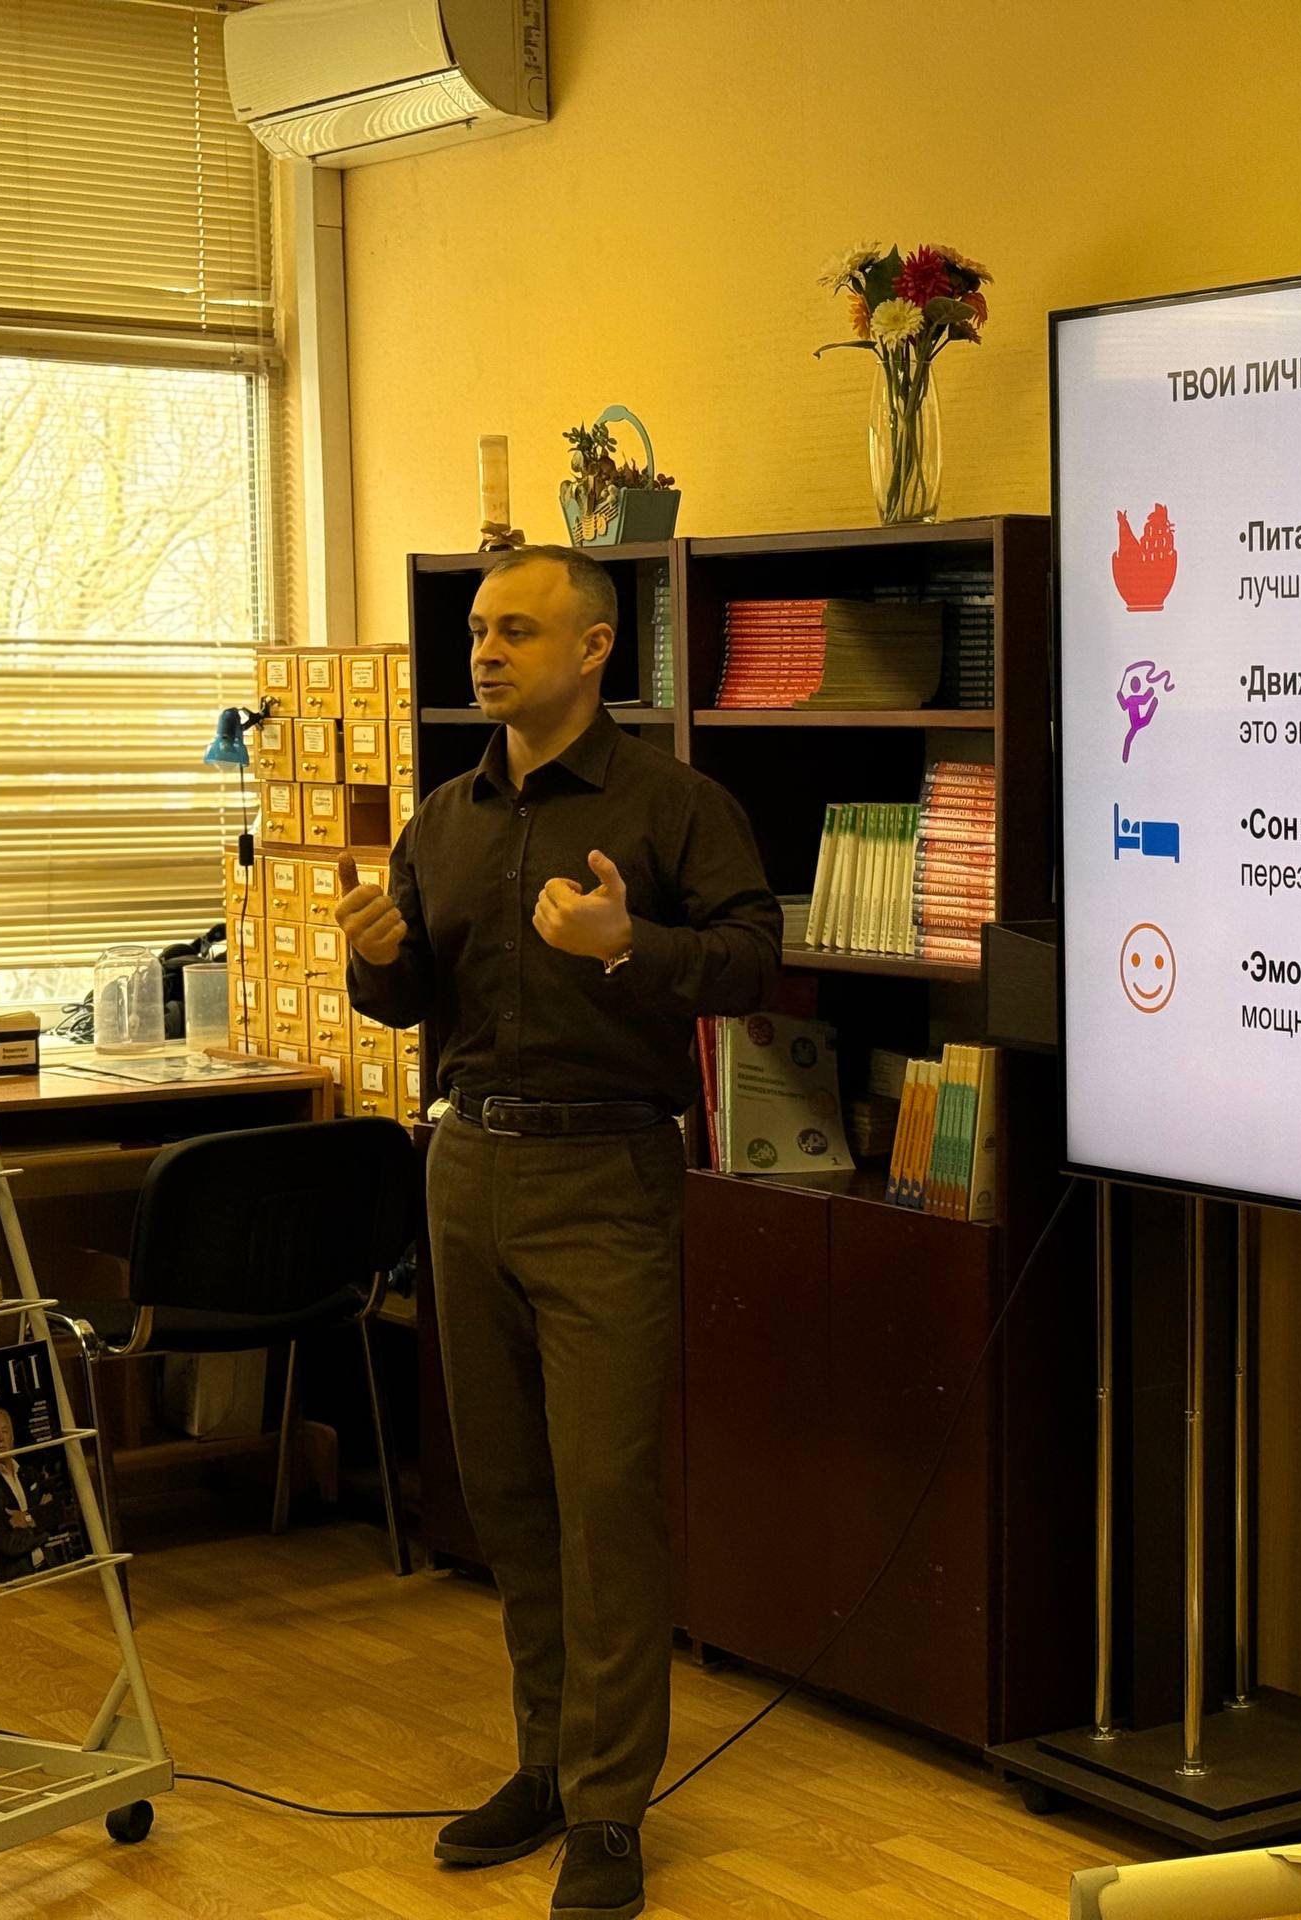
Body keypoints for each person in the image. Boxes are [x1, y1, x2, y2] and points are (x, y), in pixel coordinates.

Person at [339, 545, 779, 1920]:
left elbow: (753, 962)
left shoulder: (674, 804)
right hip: (467, 1167)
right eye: (478, 631)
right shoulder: (446, 817)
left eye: (516, 631)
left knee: (603, 1501)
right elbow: (416, 1001)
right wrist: (377, 961)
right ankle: (542, 1764)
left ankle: (607, 1808)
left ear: (595, 648)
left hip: (606, 1179)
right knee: (511, 1501)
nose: (484, 652)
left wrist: (623, 944)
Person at [0, 1406, 53, 1584]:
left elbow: (55, 1513)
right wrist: (40, 1522)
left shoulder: (29, 1474)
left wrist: (28, 1518)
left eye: (5, 1431)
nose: (0, 1439)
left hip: (48, 1566)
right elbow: (9, 1544)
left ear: (12, 1436)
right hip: (17, 1579)